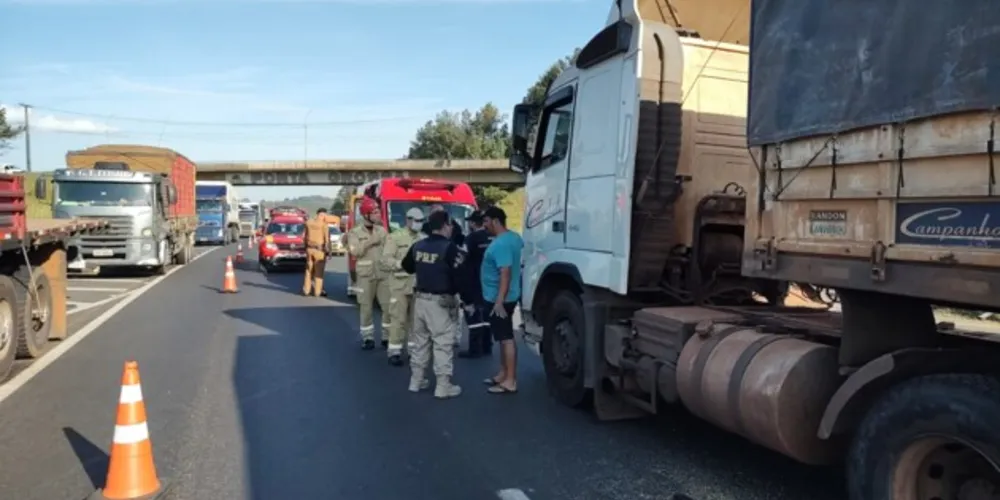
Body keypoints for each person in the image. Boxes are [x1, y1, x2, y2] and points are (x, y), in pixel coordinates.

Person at [400, 210, 465, 398]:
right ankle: (443, 386)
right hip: (441, 302)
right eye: (450, 224)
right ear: (445, 226)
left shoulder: (417, 246)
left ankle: (416, 381)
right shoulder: (450, 248)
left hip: (420, 300)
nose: (451, 228)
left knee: (420, 343)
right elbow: (460, 276)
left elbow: (406, 267)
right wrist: (467, 300)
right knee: (442, 344)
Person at [480, 206, 523, 394]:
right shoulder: (514, 238)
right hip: (506, 295)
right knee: (502, 336)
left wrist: (499, 301)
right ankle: (503, 373)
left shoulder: (501, 244)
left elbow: (505, 272)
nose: (484, 225)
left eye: (486, 221)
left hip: (500, 299)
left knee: (506, 338)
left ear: (496, 221)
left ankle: (510, 381)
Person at [380, 207, 426, 366]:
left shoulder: (423, 238)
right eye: (416, 220)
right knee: (398, 320)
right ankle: (394, 351)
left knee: (416, 321)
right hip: (399, 285)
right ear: (408, 220)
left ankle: (413, 350)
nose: (418, 223)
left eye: (421, 221)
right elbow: (385, 260)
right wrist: (402, 264)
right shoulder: (395, 237)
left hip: (418, 285)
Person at [347, 197, 392, 350]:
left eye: (378, 211)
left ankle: (387, 337)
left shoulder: (382, 231)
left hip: (383, 274)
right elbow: (355, 251)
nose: (379, 214)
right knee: (365, 308)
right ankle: (368, 338)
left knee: (388, 307)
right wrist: (371, 241)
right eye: (375, 212)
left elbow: (389, 249)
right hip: (365, 276)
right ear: (366, 215)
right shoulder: (355, 233)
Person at [458, 210, 494, 358]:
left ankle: (474, 349)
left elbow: (462, 258)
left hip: (474, 280)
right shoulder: (492, 237)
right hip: (491, 281)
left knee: (473, 314)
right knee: (487, 314)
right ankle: (487, 345)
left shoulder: (471, 239)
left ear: (473, 223)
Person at [302, 208, 331, 297]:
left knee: (308, 270)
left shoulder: (308, 223)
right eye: (325, 215)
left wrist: (305, 248)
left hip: (309, 249)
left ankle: (306, 290)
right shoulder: (324, 225)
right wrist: (328, 252)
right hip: (319, 251)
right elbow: (327, 241)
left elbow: (304, 237)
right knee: (319, 272)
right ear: (322, 215)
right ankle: (317, 292)